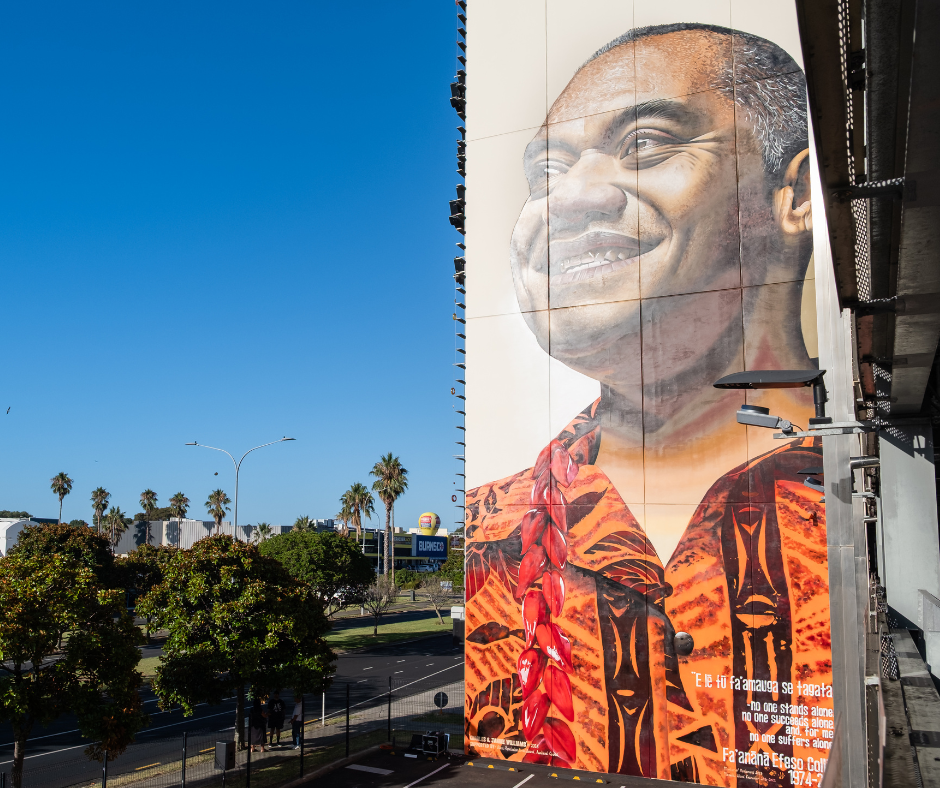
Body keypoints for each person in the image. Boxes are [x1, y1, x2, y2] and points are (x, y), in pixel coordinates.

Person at [464, 22, 832, 786]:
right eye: (547, 173)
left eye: (649, 143)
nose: (570, 199)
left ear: (794, 195)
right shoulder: (482, 532)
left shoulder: (882, 495)